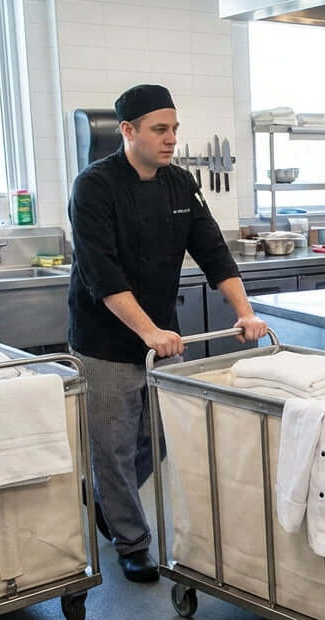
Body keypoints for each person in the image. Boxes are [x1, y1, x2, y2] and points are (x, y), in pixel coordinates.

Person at [67, 84, 269, 582]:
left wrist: (244, 311)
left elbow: (213, 251)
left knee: (158, 435)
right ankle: (131, 541)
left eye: (175, 129)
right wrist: (149, 331)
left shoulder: (181, 184)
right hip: (107, 340)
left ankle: (107, 501)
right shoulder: (93, 186)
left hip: (162, 337)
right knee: (112, 446)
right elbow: (103, 275)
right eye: (160, 129)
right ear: (128, 131)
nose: (171, 139)